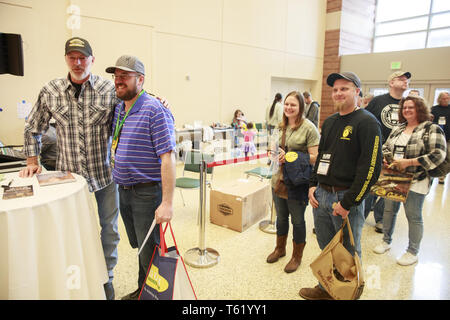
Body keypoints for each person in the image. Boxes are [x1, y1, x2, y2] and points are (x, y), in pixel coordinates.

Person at [20, 37, 120, 300]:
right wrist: (33, 162)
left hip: (104, 177)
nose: (78, 63)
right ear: (66, 59)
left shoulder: (108, 90)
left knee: (108, 229)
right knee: (70, 229)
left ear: (92, 60)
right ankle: (75, 276)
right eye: (72, 57)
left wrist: (159, 101)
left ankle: (106, 278)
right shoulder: (50, 90)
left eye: (82, 57)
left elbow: (134, 108)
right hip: (68, 179)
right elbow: (32, 128)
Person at [299, 72, 382, 300]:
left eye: (344, 88)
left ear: (357, 91)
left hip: (345, 198)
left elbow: (370, 170)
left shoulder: (367, 123)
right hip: (322, 196)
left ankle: (349, 294)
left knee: (348, 252)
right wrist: (313, 185)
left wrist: (348, 203)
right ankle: (326, 288)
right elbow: (322, 157)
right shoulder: (331, 121)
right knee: (327, 248)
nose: (338, 93)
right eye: (335, 89)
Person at [106, 55, 176, 300]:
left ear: (141, 79)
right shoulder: (119, 109)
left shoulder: (155, 109)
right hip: (123, 190)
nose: (118, 81)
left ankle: (150, 296)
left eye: (125, 76)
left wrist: (167, 202)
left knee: (150, 250)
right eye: (116, 76)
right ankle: (143, 291)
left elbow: (168, 157)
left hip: (146, 192)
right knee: (141, 246)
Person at [372, 96, 446, 266]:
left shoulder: (431, 129)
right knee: (389, 211)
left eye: (411, 107)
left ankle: (412, 251)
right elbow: (386, 146)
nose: (406, 110)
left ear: (420, 108)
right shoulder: (399, 128)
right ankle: (386, 241)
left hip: (416, 179)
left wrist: (410, 162)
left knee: (413, 216)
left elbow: (438, 154)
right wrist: (386, 158)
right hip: (395, 177)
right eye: (404, 107)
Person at [266, 91, 319, 273]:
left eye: (293, 105)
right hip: (278, 180)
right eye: (287, 104)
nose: (289, 108)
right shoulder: (279, 127)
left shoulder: (309, 128)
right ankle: (280, 249)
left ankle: (297, 256)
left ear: (301, 107)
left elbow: (315, 157)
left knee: (297, 221)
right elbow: (271, 150)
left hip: (297, 183)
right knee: (281, 218)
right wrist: (274, 154)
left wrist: (290, 156)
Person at [364, 71, 411, 233]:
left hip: (400, 154)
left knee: (392, 187)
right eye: (401, 79)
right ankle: (360, 214)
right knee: (371, 186)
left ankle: (381, 218)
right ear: (391, 82)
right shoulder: (378, 101)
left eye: (407, 79)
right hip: (377, 150)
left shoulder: (409, 104)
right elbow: (366, 121)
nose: (405, 81)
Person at [431, 91, 449, 184]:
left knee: (447, 158)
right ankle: (434, 175)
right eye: (443, 98)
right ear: (439, 99)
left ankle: (442, 176)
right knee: (436, 157)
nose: (445, 100)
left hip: (448, 138)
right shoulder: (434, 109)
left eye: (447, 98)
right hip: (436, 138)